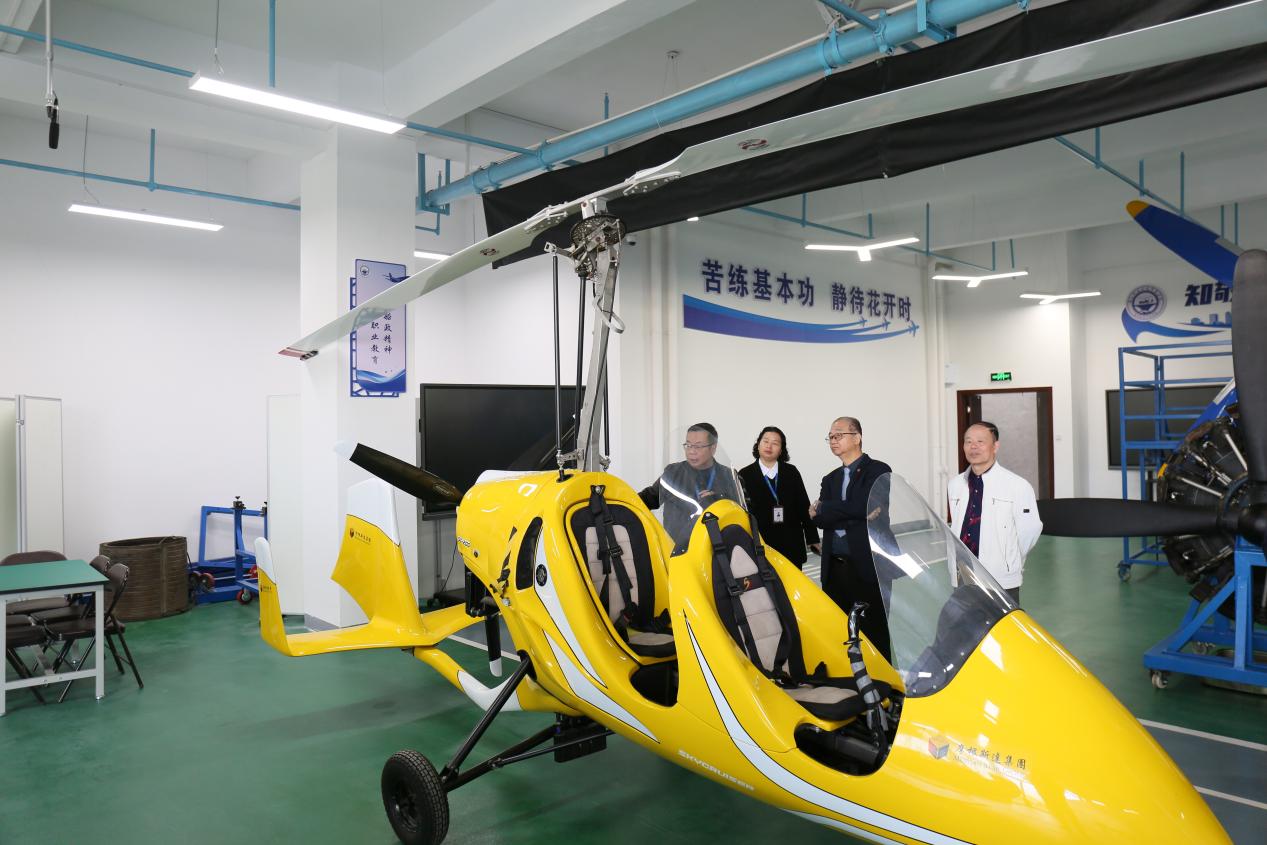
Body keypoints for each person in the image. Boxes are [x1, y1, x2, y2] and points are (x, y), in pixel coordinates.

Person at [809, 416, 893, 662]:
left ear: (857, 438)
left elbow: (867, 506)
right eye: (830, 437)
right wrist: (854, 514)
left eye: (839, 435)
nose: (833, 441)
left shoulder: (878, 470)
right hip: (835, 567)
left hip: (868, 565)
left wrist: (828, 508)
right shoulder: (830, 479)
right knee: (838, 628)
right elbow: (820, 519)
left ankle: (881, 678)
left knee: (873, 630)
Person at [948, 421, 1043, 604]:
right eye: (968, 441)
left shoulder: (1017, 486)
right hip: (963, 574)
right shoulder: (955, 484)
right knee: (964, 621)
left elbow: (1029, 531)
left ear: (995, 446)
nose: (973, 446)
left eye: (980, 441)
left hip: (1000, 579)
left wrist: (1008, 561)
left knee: (1001, 622)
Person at [639, 422, 741, 549]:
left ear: (713, 448)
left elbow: (742, 511)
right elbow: (647, 499)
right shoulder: (673, 473)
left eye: (698, 446)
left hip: (716, 549)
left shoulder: (729, 476)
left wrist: (719, 499)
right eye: (688, 445)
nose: (691, 451)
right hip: (677, 549)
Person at [737, 426, 819, 569]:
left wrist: (812, 538)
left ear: (781, 450)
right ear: (758, 445)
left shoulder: (791, 472)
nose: (769, 446)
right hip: (761, 543)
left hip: (791, 541)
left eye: (775, 443)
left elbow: (803, 506)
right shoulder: (744, 474)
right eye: (765, 441)